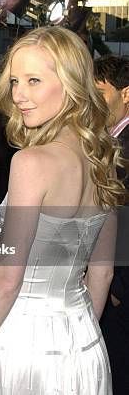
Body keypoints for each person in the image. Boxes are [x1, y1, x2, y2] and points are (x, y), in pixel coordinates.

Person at [0, 26, 125, 395]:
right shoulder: (102, 159)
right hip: (83, 340)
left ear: (71, 83)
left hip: (20, 340)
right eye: (14, 81)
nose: (19, 95)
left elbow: (6, 279)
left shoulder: (32, 162)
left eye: (34, 80)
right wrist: (74, 338)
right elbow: (103, 273)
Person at [94, 54, 129, 394]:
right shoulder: (106, 138)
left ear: (126, 93)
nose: (94, 102)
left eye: (101, 92)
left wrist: (117, 285)